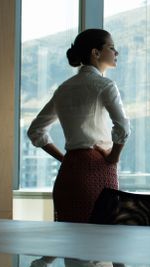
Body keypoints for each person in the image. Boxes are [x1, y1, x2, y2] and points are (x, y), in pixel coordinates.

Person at [27, 28, 130, 223]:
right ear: (95, 52)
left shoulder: (64, 88)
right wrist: (113, 157)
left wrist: (65, 158)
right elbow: (123, 127)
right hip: (98, 168)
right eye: (112, 47)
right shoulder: (105, 85)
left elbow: (35, 131)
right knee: (100, 242)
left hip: (69, 172)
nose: (116, 52)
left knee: (70, 244)